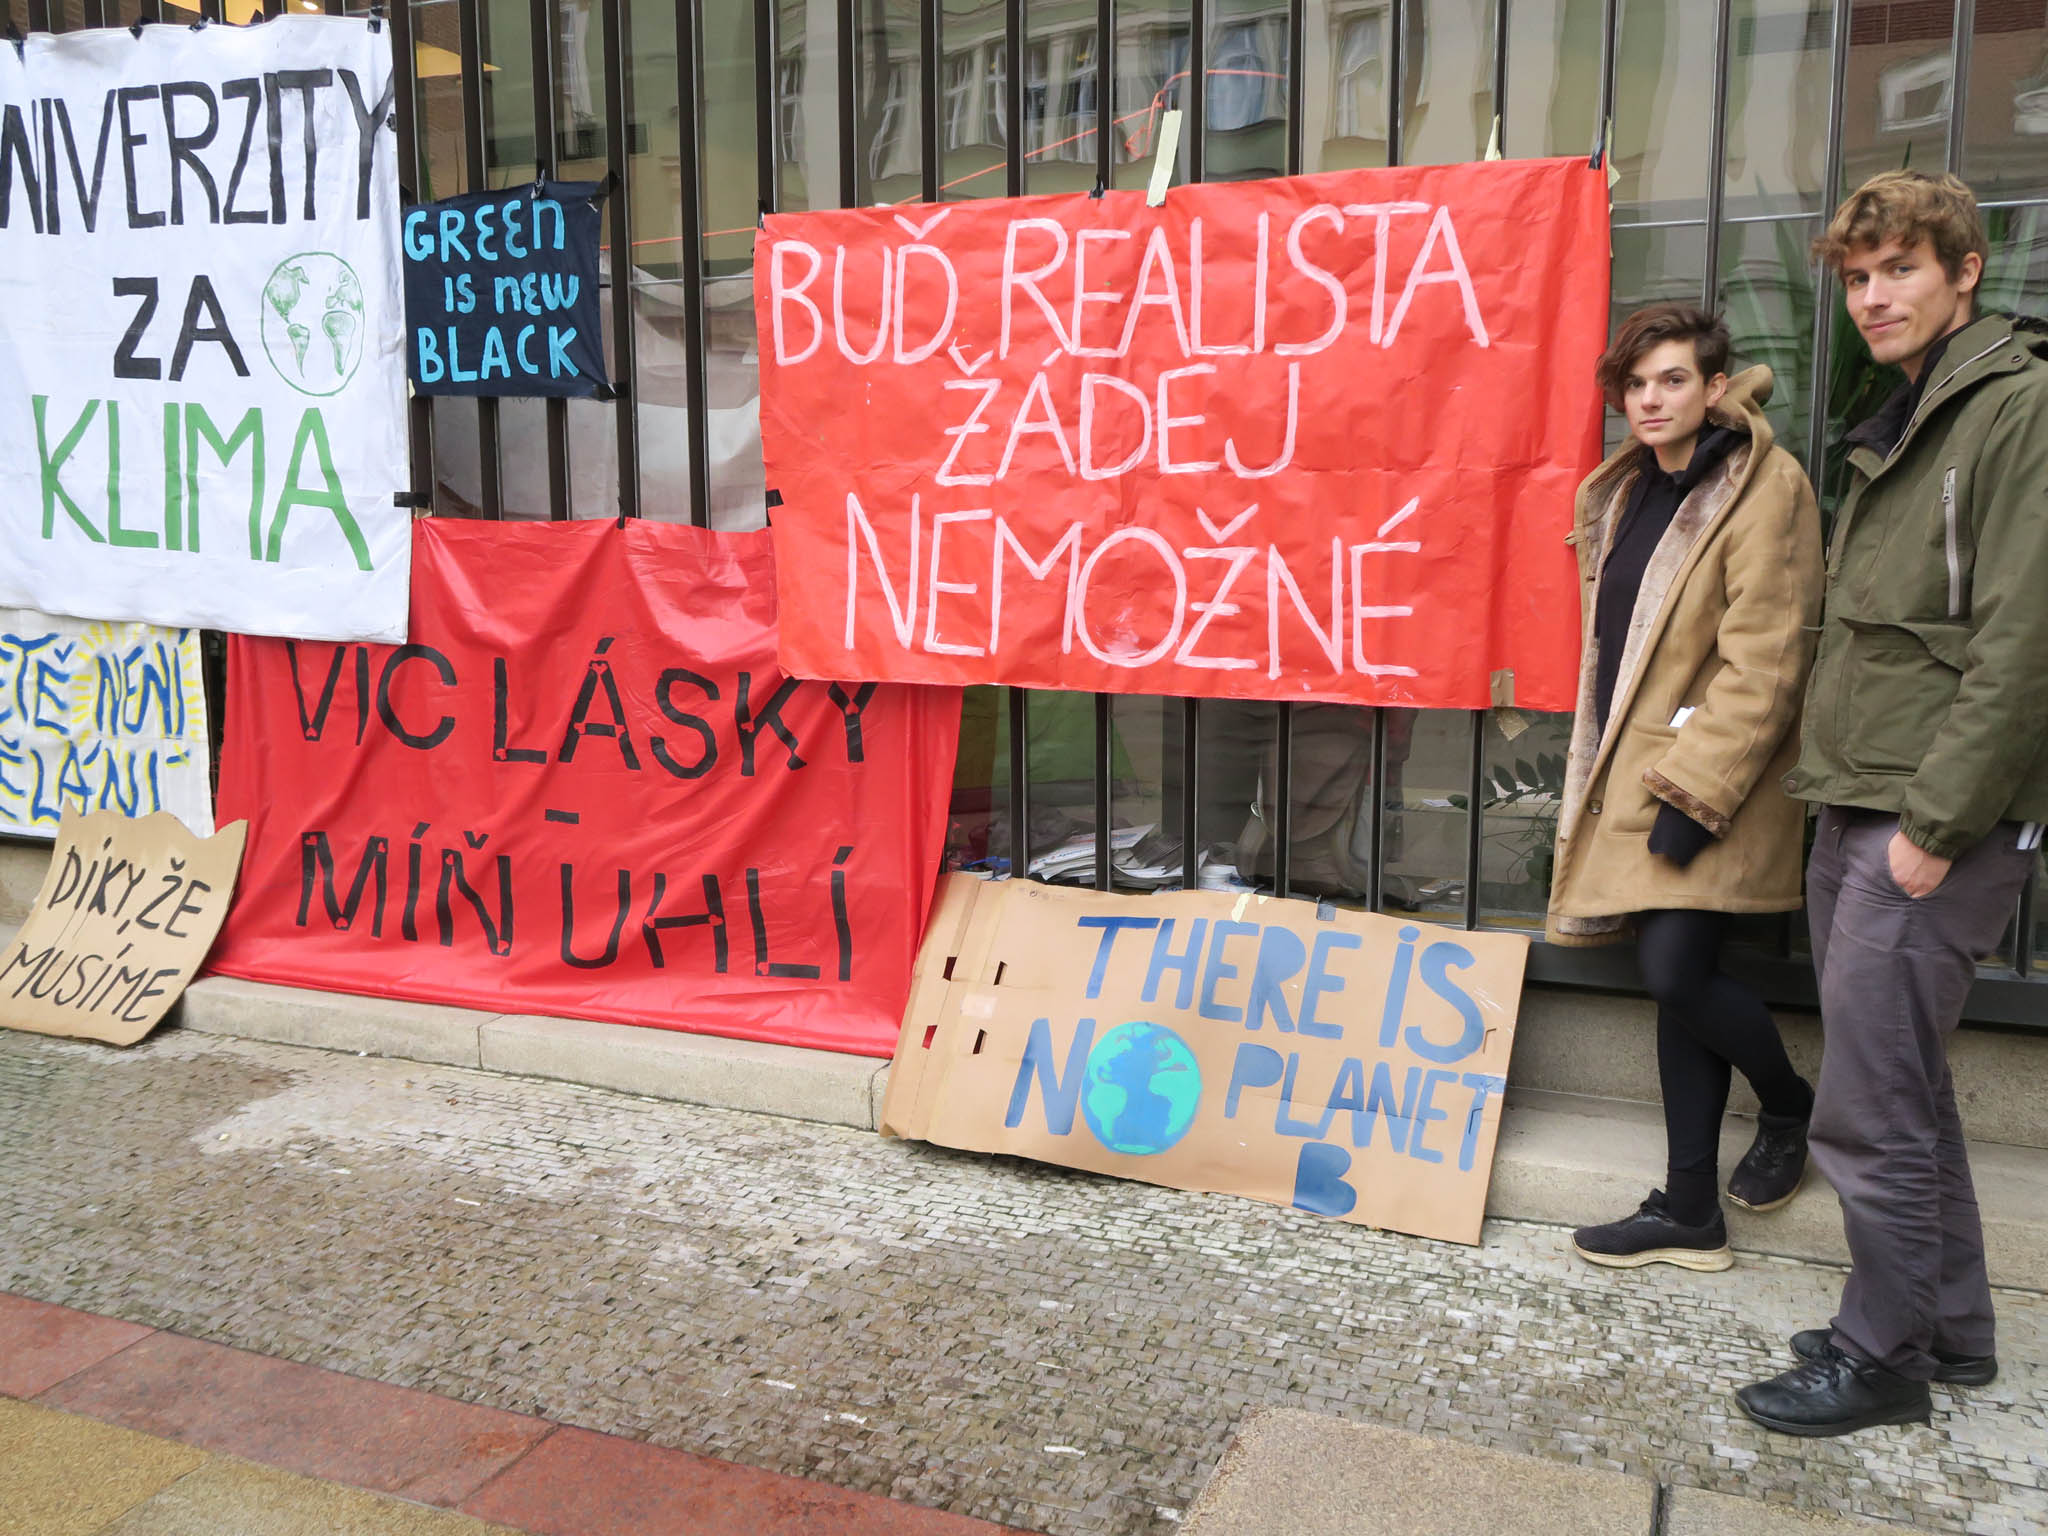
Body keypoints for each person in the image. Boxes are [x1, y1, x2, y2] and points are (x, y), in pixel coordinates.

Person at [1736, 172, 2048, 1438]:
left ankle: (1881, 1359)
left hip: (1925, 815)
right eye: (1856, 277)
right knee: (1902, 1087)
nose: (1871, 297)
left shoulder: (2016, 408)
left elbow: (2023, 644)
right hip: (1861, 794)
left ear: (1963, 270)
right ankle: (1949, 1328)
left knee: (1866, 1107)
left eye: (1898, 270)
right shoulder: (1917, 407)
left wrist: (1934, 826)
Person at [1546, 304, 1824, 1273]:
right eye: (1635, 384)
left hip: (1718, 780)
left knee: (1672, 973)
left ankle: (1791, 1106)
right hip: (1639, 778)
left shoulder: (1761, 485)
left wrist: (1690, 791)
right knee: (1675, 986)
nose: (1650, 400)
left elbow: (1768, 658)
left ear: (1713, 387)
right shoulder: (1630, 491)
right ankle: (1689, 1209)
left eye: (1671, 380)